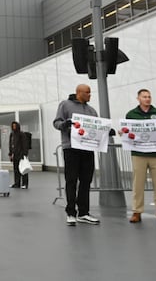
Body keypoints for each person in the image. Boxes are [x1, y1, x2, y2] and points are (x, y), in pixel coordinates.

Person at [124, 88, 156, 226]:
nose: (147, 99)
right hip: (139, 154)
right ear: (138, 98)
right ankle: (137, 211)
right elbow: (127, 131)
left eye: (149, 96)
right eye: (144, 96)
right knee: (138, 184)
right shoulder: (131, 114)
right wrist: (123, 133)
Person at [53, 84, 101, 226]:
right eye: (87, 92)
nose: (90, 95)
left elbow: (97, 127)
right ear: (79, 93)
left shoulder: (92, 110)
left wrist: (105, 132)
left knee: (86, 181)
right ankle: (71, 213)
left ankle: (84, 213)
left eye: (90, 92)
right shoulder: (65, 105)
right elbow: (56, 122)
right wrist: (64, 125)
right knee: (71, 180)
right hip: (71, 148)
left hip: (87, 148)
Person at [8, 121, 30, 189]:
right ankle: (17, 183)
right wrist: (10, 153)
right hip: (15, 155)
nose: (14, 127)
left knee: (23, 169)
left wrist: (25, 154)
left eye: (15, 126)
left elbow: (24, 144)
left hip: (21, 154)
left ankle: (24, 184)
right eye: (13, 126)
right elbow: (10, 144)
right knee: (16, 170)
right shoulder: (12, 134)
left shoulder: (21, 134)